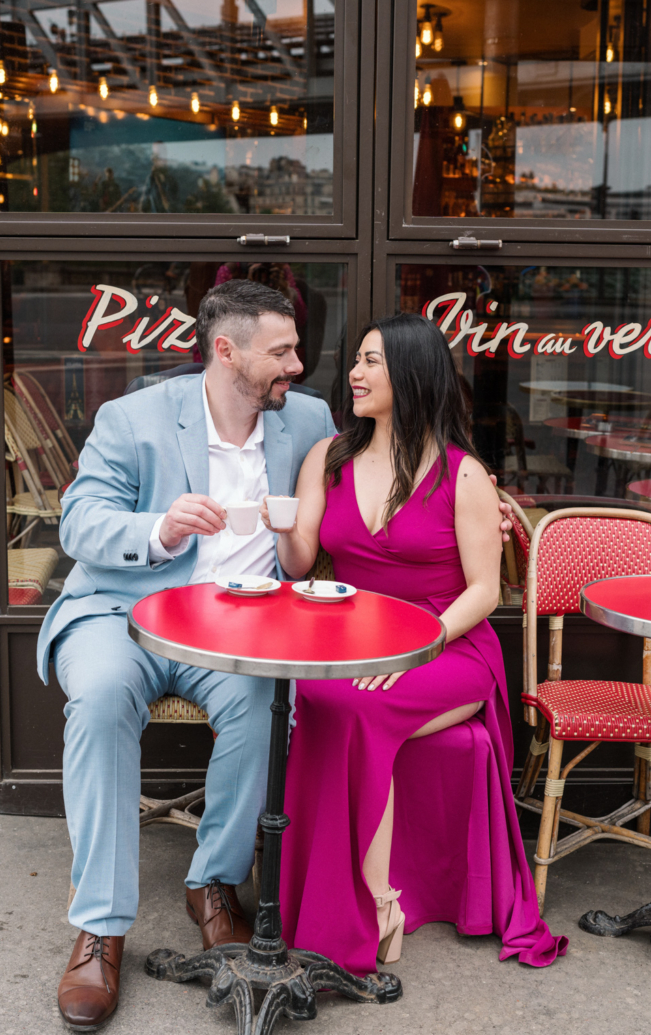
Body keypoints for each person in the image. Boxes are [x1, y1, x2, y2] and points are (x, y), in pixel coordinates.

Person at [37, 282, 515, 1032]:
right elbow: (79, 522)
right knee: (98, 700)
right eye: (283, 350)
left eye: (300, 347)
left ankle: (216, 883)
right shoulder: (134, 418)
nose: (303, 363)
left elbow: (361, 509)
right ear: (226, 351)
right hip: (122, 614)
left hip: (243, 628)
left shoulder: (311, 423)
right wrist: (158, 528)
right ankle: (101, 927)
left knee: (270, 710)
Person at [269, 313, 567, 976]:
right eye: (357, 360)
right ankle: (360, 898)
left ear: (410, 375)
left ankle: (380, 904)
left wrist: (414, 646)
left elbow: (486, 590)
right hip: (350, 641)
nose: (354, 372)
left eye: (371, 361)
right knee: (329, 697)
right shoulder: (329, 458)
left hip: (446, 645)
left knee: (363, 708)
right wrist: (282, 528)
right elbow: (300, 563)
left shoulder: (463, 475)